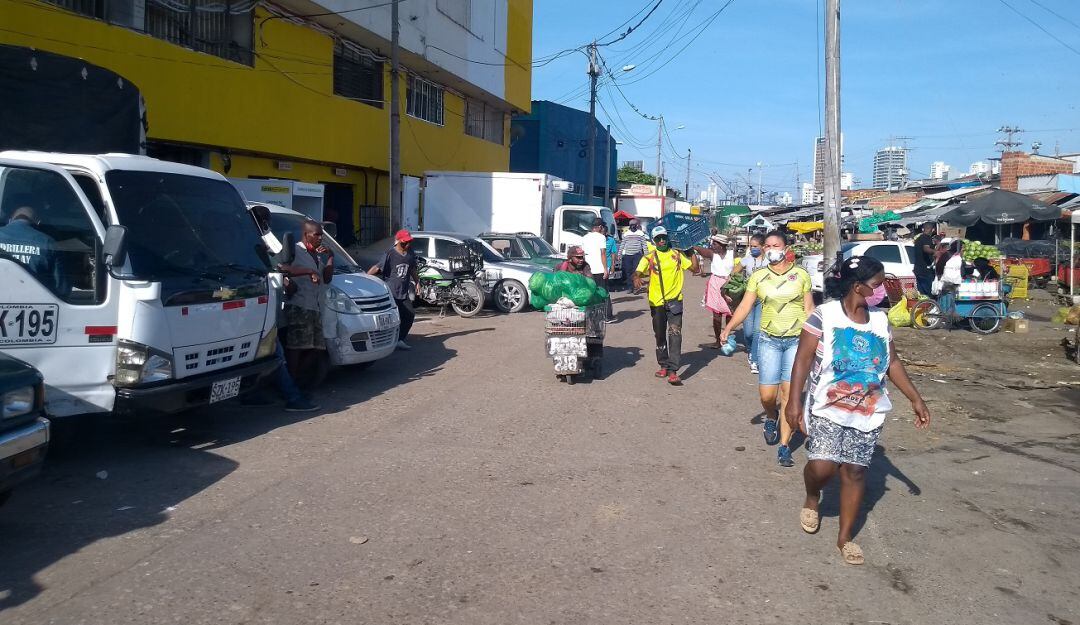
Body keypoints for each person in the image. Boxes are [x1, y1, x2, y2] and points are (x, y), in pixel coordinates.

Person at [785, 255, 930, 565]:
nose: (882, 291)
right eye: (877, 285)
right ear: (857, 286)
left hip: (869, 409)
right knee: (823, 467)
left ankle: (845, 537)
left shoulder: (880, 320)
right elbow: (803, 359)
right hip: (828, 405)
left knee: (854, 470)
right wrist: (794, 401)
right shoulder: (824, 316)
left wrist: (916, 399)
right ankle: (813, 496)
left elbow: (892, 362)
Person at [721, 230, 814, 467]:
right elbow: (745, 305)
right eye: (768, 246)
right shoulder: (758, 276)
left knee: (788, 395)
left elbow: (810, 309)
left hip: (796, 341)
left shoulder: (801, 274)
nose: (772, 249)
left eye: (776, 245)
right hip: (769, 341)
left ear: (785, 248)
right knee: (767, 396)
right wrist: (729, 327)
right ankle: (771, 416)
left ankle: (784, 446)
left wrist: (820, 338)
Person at [634, 226, 700, 385]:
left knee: (675, 334)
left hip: (675, 301)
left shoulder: (676, 255)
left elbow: (695, 268)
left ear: (668, 238)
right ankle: (663, 364)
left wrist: (691, 251)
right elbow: (637, 273)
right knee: (659, 335)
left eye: (663, 237)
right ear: (653, 241)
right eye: (658, 238)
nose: (661, 241)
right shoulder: (649, 258)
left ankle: (673, 370)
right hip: (656, 302)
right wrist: (636, 279)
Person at [279, 220, 333, 381]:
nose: (320, 238)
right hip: (299, 305)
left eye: (321, 235)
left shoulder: (317, 255)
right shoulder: (294, 250)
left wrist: (330, 256)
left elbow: (327, 278)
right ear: (305, 235)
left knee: (317, 348)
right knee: (296, 347)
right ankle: (292, 383)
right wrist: (308, 271)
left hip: (314, 306)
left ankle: (295, 379)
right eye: (316, 234)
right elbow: (281, 268)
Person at [0, 204, 69, 297]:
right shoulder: (47, 242)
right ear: (39, 223)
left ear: (9, 220)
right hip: (34, 303)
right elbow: (61, 288)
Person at [369, 229, 418, 350]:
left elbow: (411, 269)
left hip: (403, 291)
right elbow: (377, 268)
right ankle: (384, 340)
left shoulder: (410, 253)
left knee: (409, 315)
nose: (407, 245)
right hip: (391, 292)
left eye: (409, 242)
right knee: (392, 318)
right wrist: (366, 278)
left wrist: (418, 282)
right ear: (399, 242)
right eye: (404, 243)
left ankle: (399, 339)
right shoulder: (390, 254)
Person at [693, 234, 735, 348]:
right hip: (715, 285)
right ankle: (717, 341)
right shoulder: (713, 254)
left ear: (722, 245)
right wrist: (693, 247)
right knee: (717, 315)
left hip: (730, 285)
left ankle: (726, 338)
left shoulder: (732, 254)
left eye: (715, 244)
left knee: (730, 314)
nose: (712, 245)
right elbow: (700, 250)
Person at [739, 233, 768, 373]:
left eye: (755, 246)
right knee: (749, 332)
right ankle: (750, 349)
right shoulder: (747, 260)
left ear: (763, 247)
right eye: (750, 246)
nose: (752, 249)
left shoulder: (770, 261)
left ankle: (755, 359)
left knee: (758, 330)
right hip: (748, 298)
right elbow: (734, 272)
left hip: (763, 299)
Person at [621, 219, 648, 294]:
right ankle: (630, 287)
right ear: (629, 226)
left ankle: (636, 287)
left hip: (637, 255)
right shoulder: (626, 234)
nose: (633, 227)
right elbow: (622, 244)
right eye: (631, 225)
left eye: (634, 225)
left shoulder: (641, 233)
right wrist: (619, 254)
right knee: (628, 272)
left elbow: (644, 245)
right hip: (628, 255)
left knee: (636, 272)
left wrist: (647, 255)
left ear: (637, 225)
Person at [582, 219, 609, 290]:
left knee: (590, 291)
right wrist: (605, 269)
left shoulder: (585, 237)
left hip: (588, 270)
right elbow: (603, 253)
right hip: (599, 269)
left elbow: (583, 254)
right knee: (602, 291)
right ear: (600, 227)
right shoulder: (601, 237)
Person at [912, 222, 938, 296]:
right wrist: (936, 252)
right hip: (925, 271)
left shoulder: (918, 239)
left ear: (922, 229)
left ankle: (924, 306)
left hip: (918, 270)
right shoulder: (926, 238)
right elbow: (926, 249)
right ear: (933, 230)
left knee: (922, 294)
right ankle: (930, 306)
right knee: (930, 293)